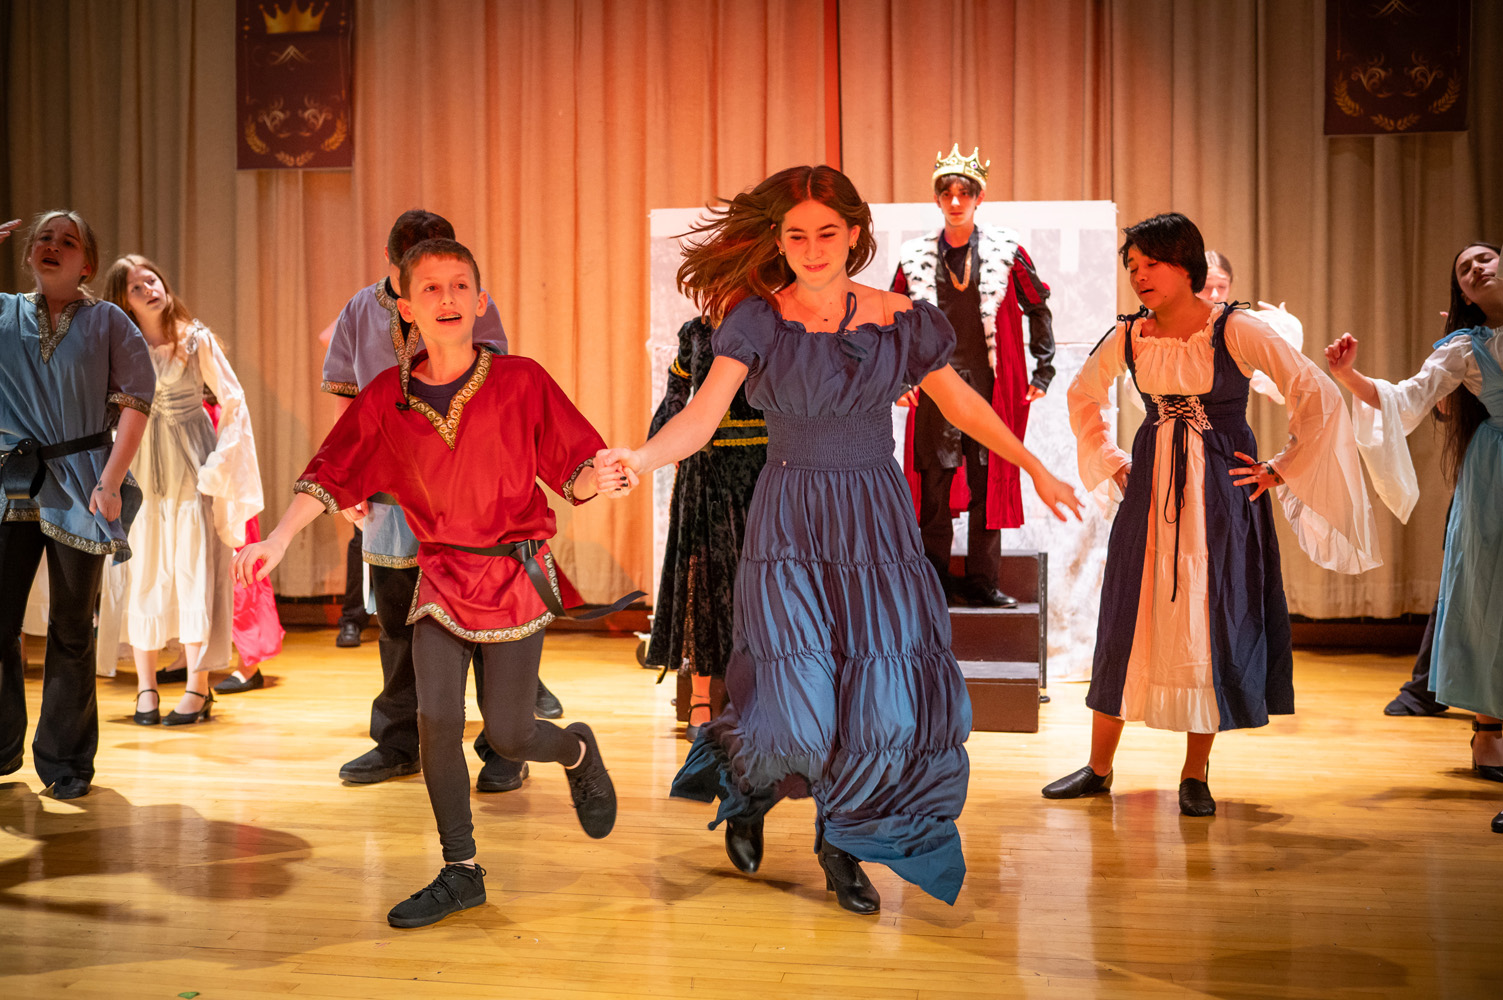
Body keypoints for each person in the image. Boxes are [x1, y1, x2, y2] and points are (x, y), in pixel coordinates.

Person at [597, 165, 1082, 915]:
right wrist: (639, 456)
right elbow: (700, 419)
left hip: (875, 521)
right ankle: (750, 789)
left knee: (876, 702)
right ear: (777, 240)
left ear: (854, 234)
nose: (813, 247)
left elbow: (963, 405)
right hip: (789, 519)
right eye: (797, 235)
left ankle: (841, 845)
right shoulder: (758, 320)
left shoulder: (903, 319)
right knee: (796, 703)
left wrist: (1036, 466)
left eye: (828, 232)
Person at [235, 238, 619, 929]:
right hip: (439, 573)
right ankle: (460, 870)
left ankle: (577, 750)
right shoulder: (388, 396)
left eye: (459, 285)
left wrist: (603, 476)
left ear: (480, 300)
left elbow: (575, 468)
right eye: (431, 288)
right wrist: (279, 537)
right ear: (406, 308)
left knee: (510, 735)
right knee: (436, 721)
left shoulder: (522, 380)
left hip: (511, 575)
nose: (447, 298)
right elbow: (332, 470)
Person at [1046, 212, 1381, 817]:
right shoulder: (1130, 334)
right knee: (1128, 613)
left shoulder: (1235, 328)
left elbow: (1314, 391)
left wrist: (1281, 467)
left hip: (1220, 496)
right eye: (1132, 267)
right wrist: (1112, 460)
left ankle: (1194, 773)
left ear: (1185, 264)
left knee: (1211, 616)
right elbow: (1083, 394)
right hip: (1150, 493)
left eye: (1151, 264)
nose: (1138, 276)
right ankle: (1098, 766)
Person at [320, 209, 558, 791]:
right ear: (392, 265)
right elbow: (346, 396)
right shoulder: (359, 309)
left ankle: (504, 746)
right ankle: (399, 743)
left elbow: (490, 388)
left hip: (464, 494)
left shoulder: (468, 302)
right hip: (389, 496)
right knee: (399, 623)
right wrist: (348, 481)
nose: (438, 290)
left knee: (484, 621)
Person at [1326, 241, 1503, 784]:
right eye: (1464, 269)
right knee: (1487, 596)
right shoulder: (1464, 348)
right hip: (1494, 477)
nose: (1475, 269)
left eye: (1485, 259)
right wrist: (1348, 375)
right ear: (1463, 295)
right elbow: (1405, 399)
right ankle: (1489, 730)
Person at [0, 211, 155, 799]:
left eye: (67, 241)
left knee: (70, 628)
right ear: (27, 254)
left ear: (86, 264)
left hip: (82, 480)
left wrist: (111, 482)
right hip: (11, 480)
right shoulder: (4, 312)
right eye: (43, 238)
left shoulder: (108, 320)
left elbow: (137, 401)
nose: (52, 246)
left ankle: (65, 763)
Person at [101, 254, 264, 725]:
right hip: (141, 472)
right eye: (136, 288)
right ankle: (146, 688)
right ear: (124, 302)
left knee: (194, 571)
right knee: (144, 570)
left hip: (190, 469)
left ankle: (198, 686)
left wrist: (218, 465)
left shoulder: (195, 339)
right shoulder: (120, 347)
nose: (149, 289)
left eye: (151, 279)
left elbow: (234, 401)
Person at [892, 145, 1055, 606]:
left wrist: (1043, 368)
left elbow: (1037, 304)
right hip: (935, 385)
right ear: (937, 199)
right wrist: (900, 381)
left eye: (965, 193)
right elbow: (892, 321)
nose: (956, 202)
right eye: (947, 193)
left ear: (979, 198)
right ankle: (933, 583)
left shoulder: (1006, 251)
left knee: (987, 482)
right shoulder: (914, 257)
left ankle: (984, 581)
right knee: (934, 487)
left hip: (987, 385)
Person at [644, 315, 766, 738]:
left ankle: (759, 698)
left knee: (762, 585)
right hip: (707, 467)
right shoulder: (695, 331)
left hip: (764, 469)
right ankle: (700, 698)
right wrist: (670, 430)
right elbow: (677, 384)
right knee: (703, 579)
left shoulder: (770, 323)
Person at [1198, 250, 1305, 405]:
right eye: (1206, 286)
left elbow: (1281, 389)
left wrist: (1287, 326)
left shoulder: (1239, 326)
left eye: (1221, 286)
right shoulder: (1171, 323)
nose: (1214, 294)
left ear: (1230, 287)